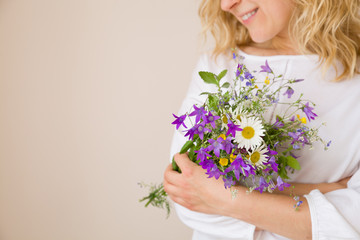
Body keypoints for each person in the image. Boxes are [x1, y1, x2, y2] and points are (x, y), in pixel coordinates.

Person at [163, 0, 360, 239]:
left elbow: (354, 220)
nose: (226, 4)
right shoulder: (220, 66)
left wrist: (223, 199)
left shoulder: (354, 80)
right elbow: (187, 194)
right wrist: (328, 194)